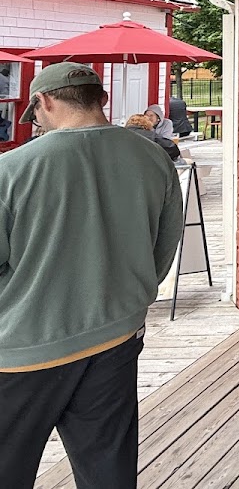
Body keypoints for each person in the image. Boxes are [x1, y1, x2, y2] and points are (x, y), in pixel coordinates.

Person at [0, 63, 184, 488]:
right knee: (108, 469)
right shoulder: (153, 157)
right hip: (116, 335)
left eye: (36, 113)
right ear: (102, 99)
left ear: (43, 102)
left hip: (24, 347)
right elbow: (163, 246)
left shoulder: (11, 169)